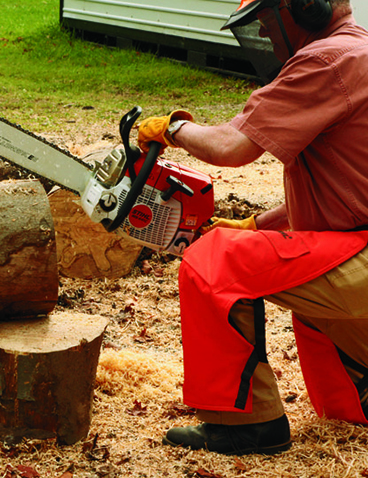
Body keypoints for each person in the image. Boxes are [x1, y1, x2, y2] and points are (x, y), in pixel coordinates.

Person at [137, 0, 368, 455]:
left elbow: (231, 147)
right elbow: (339, 194)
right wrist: (252, 225)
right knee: (297, 262)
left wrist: (173, 129)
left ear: (303, 7)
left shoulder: (323, 61)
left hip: (360, 258)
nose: (263, 32)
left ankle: (246, 423)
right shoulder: (356, 53)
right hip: (358, 247)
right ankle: (356, 399)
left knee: (212, 261)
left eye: (266, 20)